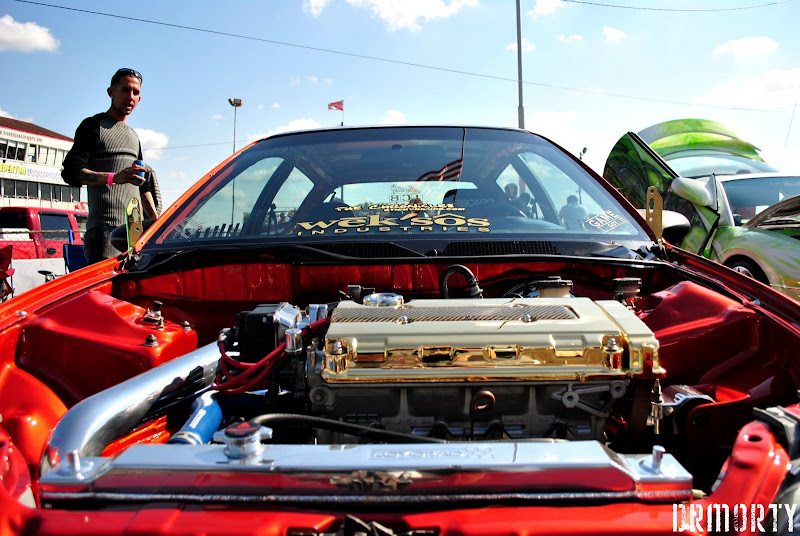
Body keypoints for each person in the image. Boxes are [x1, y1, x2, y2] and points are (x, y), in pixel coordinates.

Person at [62, 68, 149, 263]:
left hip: (135, 232)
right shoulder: (93, 126)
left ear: (139, 98)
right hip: (105, 231)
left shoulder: (133, 136)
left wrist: (158, 222)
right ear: (111, 92)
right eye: (125, 90)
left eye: (135, 92)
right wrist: (114, 177)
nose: (130, 97)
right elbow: (71, 172)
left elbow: (143, 185)